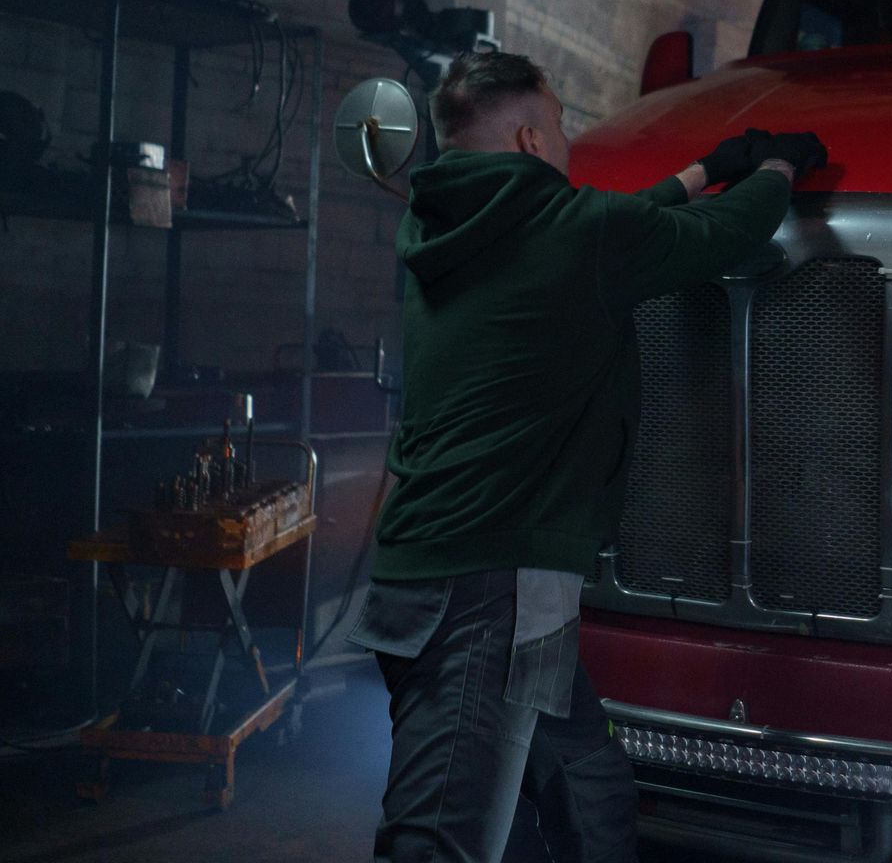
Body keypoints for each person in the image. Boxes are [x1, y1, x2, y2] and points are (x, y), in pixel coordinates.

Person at [348, 49, 827, 863]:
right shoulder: (576, 235)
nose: (567, 137)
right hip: (488, 593)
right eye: (563, 121)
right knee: (438, 841)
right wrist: (777, 168)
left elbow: (597, 238)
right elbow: (716, 234)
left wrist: (703, 166)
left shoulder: (441, 232)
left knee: (591, 783)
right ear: (533, 139)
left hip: (433, 577)